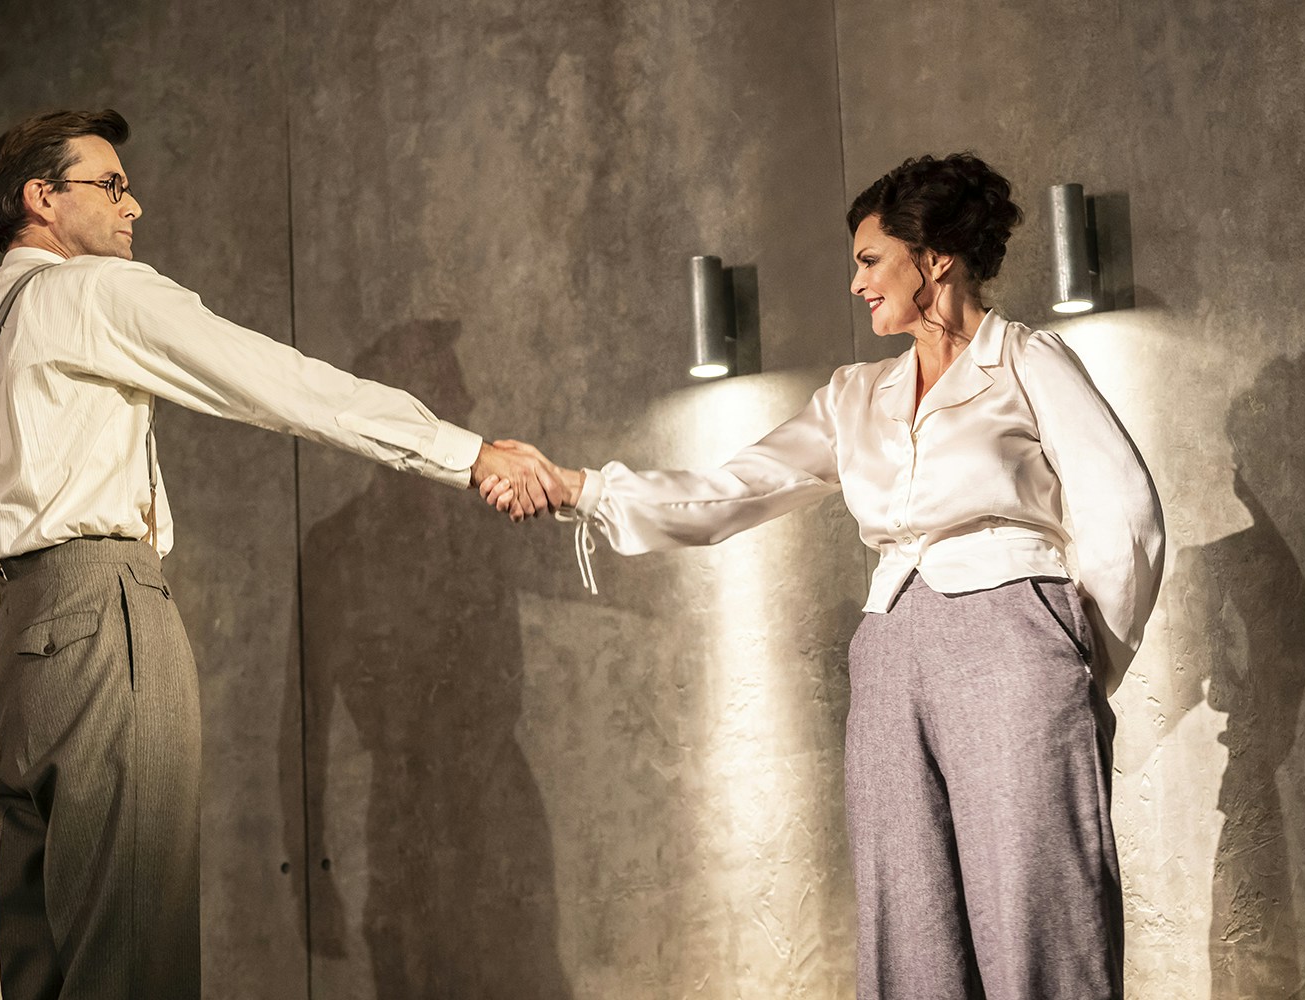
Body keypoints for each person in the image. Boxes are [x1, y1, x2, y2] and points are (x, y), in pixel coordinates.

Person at [0, 108, 562, 1000]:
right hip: (107, 625)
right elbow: (276, 380)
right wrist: (463, 451)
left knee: (42, 973)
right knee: (134, 961)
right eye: (112, 185)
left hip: (15, 665)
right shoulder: (94, 293)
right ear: (41, 198)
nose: (135, 207)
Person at [481, 153, 1165, 999]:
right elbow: (730, 490)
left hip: (1014, 634)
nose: (856, 283)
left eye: (871, 260)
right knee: (908, 923)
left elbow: (1125, 513)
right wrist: (579, 487)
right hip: (887, 651)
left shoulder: (1026, 360)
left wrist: (1070, 659)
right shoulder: (855, 397)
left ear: (936, 257)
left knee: (1039, 910)